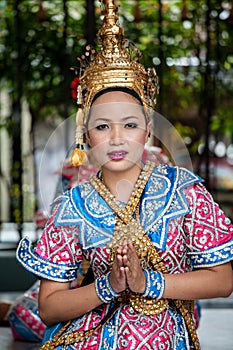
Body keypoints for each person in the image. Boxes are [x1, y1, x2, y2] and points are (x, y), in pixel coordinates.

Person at [16, 0, 233, 349]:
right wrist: (110, 286)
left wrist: (149, 283)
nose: (116, 138)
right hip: (94, 333)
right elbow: (49, 306)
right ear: (86, 136)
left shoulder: (184, 190)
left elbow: (222, 281)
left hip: (165, 336)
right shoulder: (72, 206)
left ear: (148, 130)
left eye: (129, 125)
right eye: (102, 126)